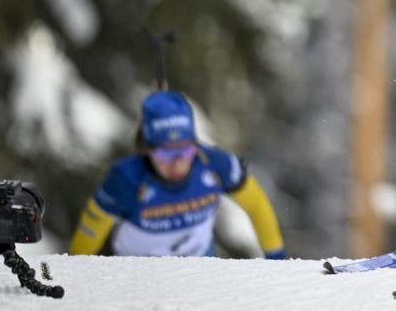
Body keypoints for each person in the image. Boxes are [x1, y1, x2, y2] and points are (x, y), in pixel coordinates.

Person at [68, 90, 287, 259]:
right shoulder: (125, 179)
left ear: (195, 144)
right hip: (136, 278)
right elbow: (90, 233)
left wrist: (276, 258)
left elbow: (257, 205)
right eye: (165, 154)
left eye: (185, 151)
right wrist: (74, 275)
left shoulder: (216, 165)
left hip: (201, 269)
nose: (177, 162)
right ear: (148, 150)